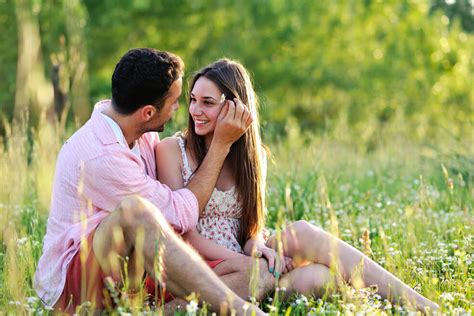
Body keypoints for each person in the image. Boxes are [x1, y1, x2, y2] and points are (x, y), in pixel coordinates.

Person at [155, 58, 440, 312]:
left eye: (207, 102)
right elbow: (183, 235)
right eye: (193, 99)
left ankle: (419, 305)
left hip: (248, 258)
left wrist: (257, 248)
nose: (195, 110)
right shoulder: (171, 150)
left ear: (235, 108)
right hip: (208, 267)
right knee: (311, 275)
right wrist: (249, 264)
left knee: (318, 272)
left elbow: (252, 226)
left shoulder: (254, 158)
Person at [34, 48, 271, 315]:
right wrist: (220, 147)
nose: (182, 110)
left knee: (255, 275)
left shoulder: (139, 131)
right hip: (77, 285)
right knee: (134, 211)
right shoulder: (99, 154)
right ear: (147, 113)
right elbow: (180, 216)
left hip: (135, 269)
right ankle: (242, 311)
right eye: (175, 102)